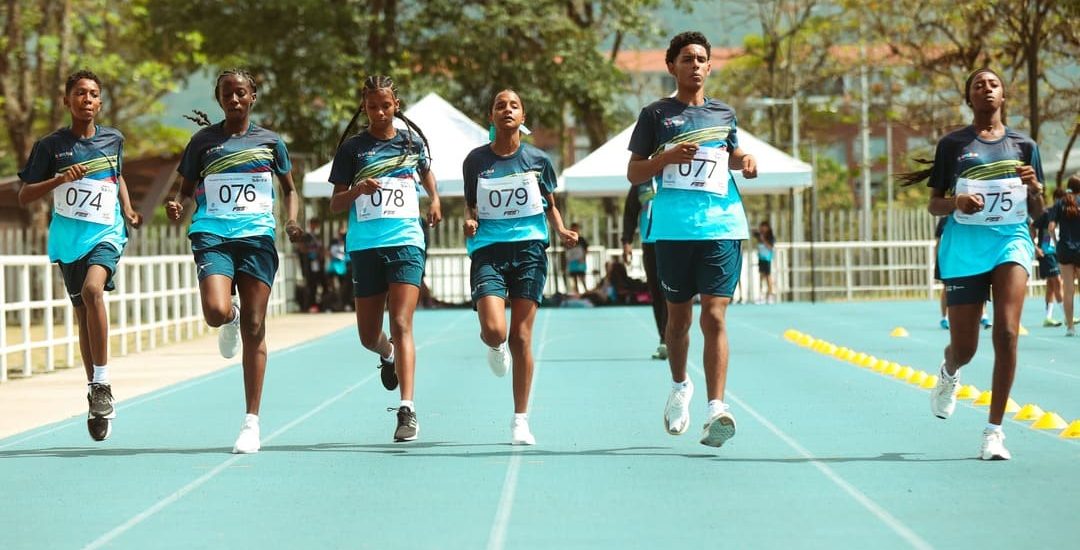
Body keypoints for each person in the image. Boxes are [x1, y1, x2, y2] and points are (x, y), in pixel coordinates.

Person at [900, 67, 1045, 460]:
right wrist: (957, 203)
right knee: (965, 347)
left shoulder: (1024, 145)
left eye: (993, 83)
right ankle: (949, 372)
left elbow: (1038, 210)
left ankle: (994, 431)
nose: (987, 88)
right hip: (964, 246)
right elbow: (933, 204)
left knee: (1009, 333)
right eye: (978, 85)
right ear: (969, 98)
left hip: (1010, 241)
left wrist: (1034, 189)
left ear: (1003, 95)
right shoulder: (953, 145)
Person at [626, 31, 758, 448]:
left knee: (715, 316)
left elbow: (730, 154)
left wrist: (746, 160)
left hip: (721, 225)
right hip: (672, 229)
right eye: (687, 59)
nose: (695, 65)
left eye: (702, 59)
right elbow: (634, 173)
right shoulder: (655, 115)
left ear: (709, 66)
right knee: (678, 321)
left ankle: (716, 407)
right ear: (672, 66)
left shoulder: (723, 114)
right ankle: (681, 386)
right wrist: (663, 159)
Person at [165, 69, 304, 453]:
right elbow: (186, 190)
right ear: (220, 99)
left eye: (241, 93)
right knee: (213, 310)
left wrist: (291, 221)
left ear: (253, 96)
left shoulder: (271, 142)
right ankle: (229, 317)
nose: (235, 99)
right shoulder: (203, 142)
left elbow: (289, 190)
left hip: (257, 237)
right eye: (227, 94)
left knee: (257, 326)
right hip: (213, 234)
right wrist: (178, 205)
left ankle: (251, 422)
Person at [17, 69, 142, 442]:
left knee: (93, 292)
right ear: (67, 100)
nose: (87, 99)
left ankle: (102, 383)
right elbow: (24, 195)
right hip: (69, 241)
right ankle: (95, 392)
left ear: (100, 103)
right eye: (80, 93)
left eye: (94, 94)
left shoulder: (113, 139)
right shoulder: (50, 146)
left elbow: (116, 176)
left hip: (106, 233)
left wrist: (129, 209)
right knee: (82, 313)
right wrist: (59, 180)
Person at [328, 75, 441, 442]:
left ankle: (407, 409)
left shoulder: (411, 141)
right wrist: (359, 189)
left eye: (386, 105)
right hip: (365, 247)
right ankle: (387, 353)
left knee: (402, 321)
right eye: (372, 106)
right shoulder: (352, 150)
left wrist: (435, 200)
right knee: (367, 335)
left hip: (407, 241)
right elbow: (335, 203)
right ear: (364, 106)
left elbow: (426, 174)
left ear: (396, 105)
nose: (379, 112)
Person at [463, 89, 577, 446]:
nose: (507, 109)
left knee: (522, 337)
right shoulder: (475, 161)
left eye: (513, 105)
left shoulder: (539, 159)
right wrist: (469, 222)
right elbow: (471, 206)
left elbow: (550, 204)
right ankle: (495, 347)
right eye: (500, 105)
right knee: (496, 331)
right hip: (489, 251)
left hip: (529, 251)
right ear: (492, 116)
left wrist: (559, 229)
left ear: (522, 116)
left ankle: (520, 420)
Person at [622, 181, 668, 359]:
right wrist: (626, 241)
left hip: (673, 240)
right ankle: (664, 339)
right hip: (649, 242)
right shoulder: (641, 182)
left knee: (672, 291)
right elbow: (630, 212)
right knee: (656, 292)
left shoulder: (673, 173)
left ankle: (673, 336)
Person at [1036, 176, 1080, 336]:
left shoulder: (1059, 204)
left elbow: (1051, 226)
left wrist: (1056, 241)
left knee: (1068, 290)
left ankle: (1070, 327)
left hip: (1064, 250)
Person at [1033, 186, 1065, 327]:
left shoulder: (1065, 213)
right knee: (1057, 281)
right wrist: (1036, 247)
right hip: (1047, 252)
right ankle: (1066, 314)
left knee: (1051, 285)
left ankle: (1048, 316)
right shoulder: (1047, 213)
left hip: (1056, 252)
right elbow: (1032, 226)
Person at [755, 220, 777, 304]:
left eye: (763, 226)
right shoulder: (759, 235)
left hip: (767, 259)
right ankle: (761, 295)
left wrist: (763, 240)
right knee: (761, 277)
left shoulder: (770, 237)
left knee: (768, 277)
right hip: (761, 259)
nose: (762, 228)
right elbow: (753, 231)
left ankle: (770, 295)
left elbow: (770, 247)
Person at [565, 222, 588, 295]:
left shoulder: (581, 239)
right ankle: (577, 293)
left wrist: (583, 258)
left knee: (582, 277)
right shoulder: (568, 239)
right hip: (572, 262)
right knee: (574, 279)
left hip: (580, 262)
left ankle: (586, 292)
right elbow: (566, 250)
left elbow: (586, 249)